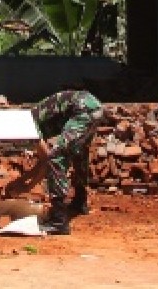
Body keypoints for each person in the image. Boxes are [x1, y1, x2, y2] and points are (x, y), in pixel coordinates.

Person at [32, 89, 104, 234]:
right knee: (79, 153)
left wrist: (26, 184)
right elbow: (42, 160)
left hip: (82, 110)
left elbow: (47, 159)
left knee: (56, 158)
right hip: (94, 107)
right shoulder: (33, 117)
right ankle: (80, 201)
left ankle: (59, 221)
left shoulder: (29, 124)